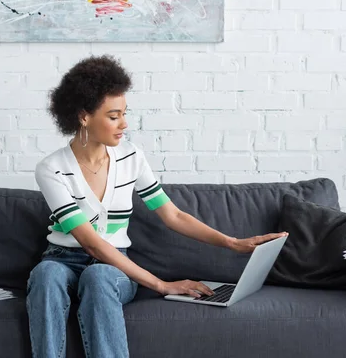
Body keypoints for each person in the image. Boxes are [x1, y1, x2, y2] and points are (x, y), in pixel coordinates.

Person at [27, 55, 287, 358]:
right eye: (113, 116)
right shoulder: (52, 169)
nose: (124, 124)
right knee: (46, 275)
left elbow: (173, 215)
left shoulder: (131, 158)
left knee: (98, 277)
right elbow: (92, 244)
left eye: (124, 113)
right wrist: (162, 284)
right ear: (84, 116)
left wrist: (232, 242)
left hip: (113, 269)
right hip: (63, 260)